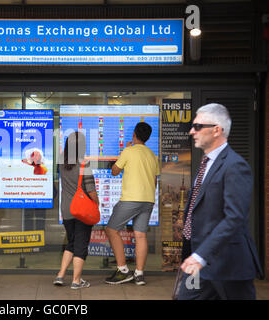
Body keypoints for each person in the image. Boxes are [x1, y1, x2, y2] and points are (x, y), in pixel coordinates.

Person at [177, 103, 262, 300]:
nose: (192, 131)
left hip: (227, 265)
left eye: (198, 126)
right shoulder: (206, 162)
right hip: (199, 262)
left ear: (216, 130)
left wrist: (201, 255)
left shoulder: (235, 165)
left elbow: (235, 218)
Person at [105, 122, 159, 286]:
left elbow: (114, 171)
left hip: (131, 198)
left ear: (134, 134)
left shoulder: (128, 151)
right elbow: (155, 181)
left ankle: (123, 271)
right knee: (141, 235)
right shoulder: (152, 155)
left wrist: (124, 152)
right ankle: (139, 274)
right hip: (148, 199)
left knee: (111, 229)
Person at [54, 131, 99, 290]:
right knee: (81, 245)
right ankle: (76, 280)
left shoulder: (61, 162)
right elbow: (91, 190)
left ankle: (60, 275)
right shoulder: (83, 164)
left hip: (66, 210)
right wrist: (97, 203)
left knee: (71, 243)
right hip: (81, 210)